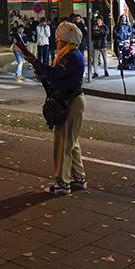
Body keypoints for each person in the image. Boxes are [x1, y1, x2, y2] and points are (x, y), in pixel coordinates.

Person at [23, 21, 87, 195]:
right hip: (70, 100)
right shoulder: (71, 54)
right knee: (71, 142)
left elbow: (55, 74)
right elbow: (56, 77)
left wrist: (36, 63)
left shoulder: (71, 56)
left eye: (59, 38)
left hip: (70, 101)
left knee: (63, 143)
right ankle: (79, 178)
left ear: (67, 39)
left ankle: (62, 183)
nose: (56, 41)